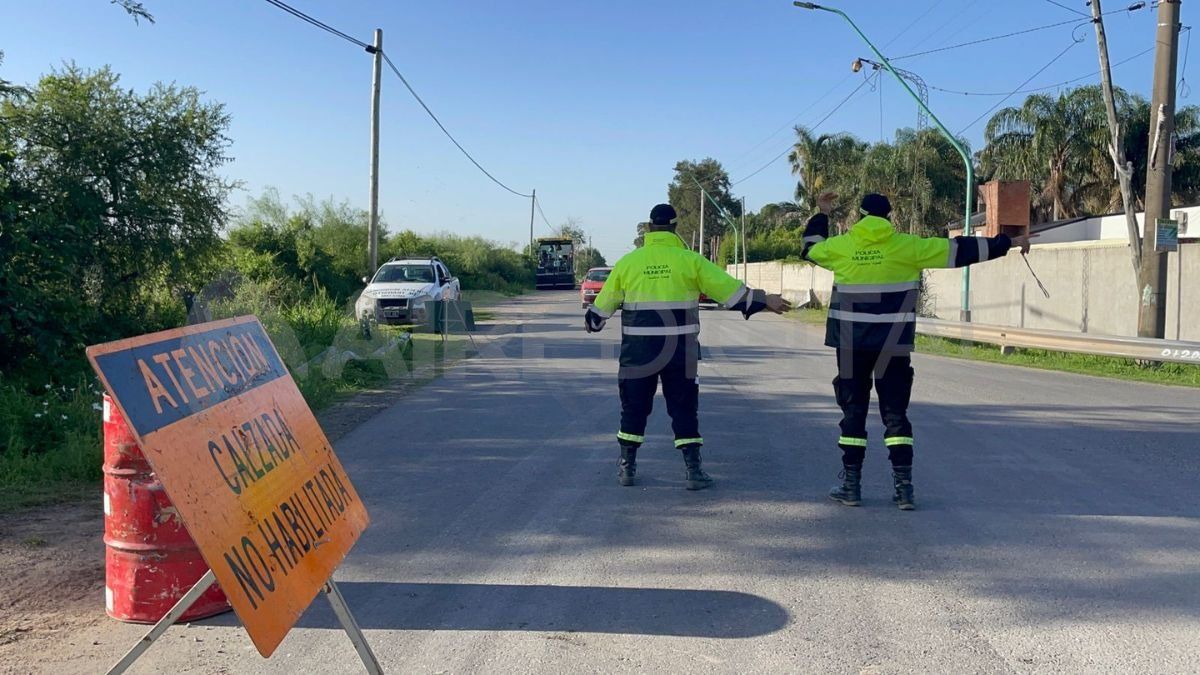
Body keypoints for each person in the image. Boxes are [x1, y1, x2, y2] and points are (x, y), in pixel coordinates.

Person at [802, 192, 1033, 510]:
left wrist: (822, 213)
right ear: (888, 217)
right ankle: (904, 489)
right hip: (893, 345)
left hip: (851, 345)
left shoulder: (842, 247)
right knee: (895, 415)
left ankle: (851, 485)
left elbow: (810, 248)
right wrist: (1008, 242)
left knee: (853, 413)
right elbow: (960, 250)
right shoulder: (908, 247)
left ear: (861, 216)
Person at [585, 203, 790, 490]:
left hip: (639, 353)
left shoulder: (628, 263)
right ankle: (693, 471)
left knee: (633, 407)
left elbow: (600, 311)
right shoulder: (690, 260)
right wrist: (764, 299)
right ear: (675, 227)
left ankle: (626, 467)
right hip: (681, 352)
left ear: (648, 228)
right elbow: (727, 290)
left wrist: (594, 320)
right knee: (683, 408)